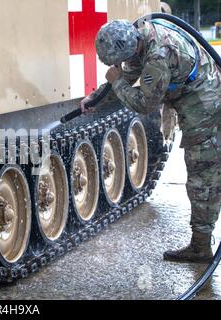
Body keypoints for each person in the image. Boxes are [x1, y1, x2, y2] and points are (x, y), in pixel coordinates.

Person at [82, 19, 221, 263]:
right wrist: (96, 99)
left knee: (203, 176)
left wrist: (116, 81)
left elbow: (144, 104)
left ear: (129, 47)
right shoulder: (139, 37)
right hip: (194, 94)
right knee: (205, 174)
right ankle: (201, 242)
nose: (117, 65)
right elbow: (131, 72)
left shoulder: (158, 57)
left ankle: (201, 246)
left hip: (204, 104)